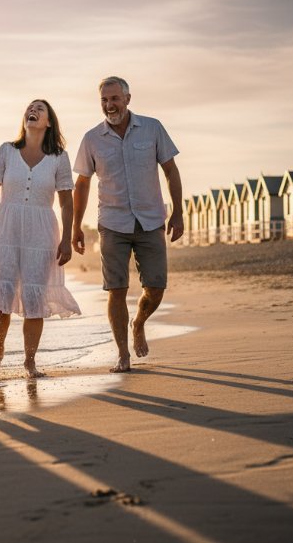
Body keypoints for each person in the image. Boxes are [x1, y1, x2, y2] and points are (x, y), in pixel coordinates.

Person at [0, 99, 81, 378]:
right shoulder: (6, 151)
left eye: (41, 108)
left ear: (49, 121)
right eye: (30, 107)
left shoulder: (58, 158)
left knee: (34, 297)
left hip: (42, 231)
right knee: (1, 294)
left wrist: (66, 238)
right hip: (5, 228)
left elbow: (66, 201)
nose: (34, 110)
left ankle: (29, 361)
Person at [72, 76, 184, 373]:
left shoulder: (152, 128)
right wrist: (76, 226)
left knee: (156, 288)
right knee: (116, 290)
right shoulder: (92, 139)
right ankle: (122, 354)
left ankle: (139, 322)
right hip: (112, 222)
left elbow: (171, 171)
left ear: (127, 99)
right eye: (104, 101)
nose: (110, 105)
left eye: (114, 99)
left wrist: (178, 212)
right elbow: (81, 185)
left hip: (150, 220)